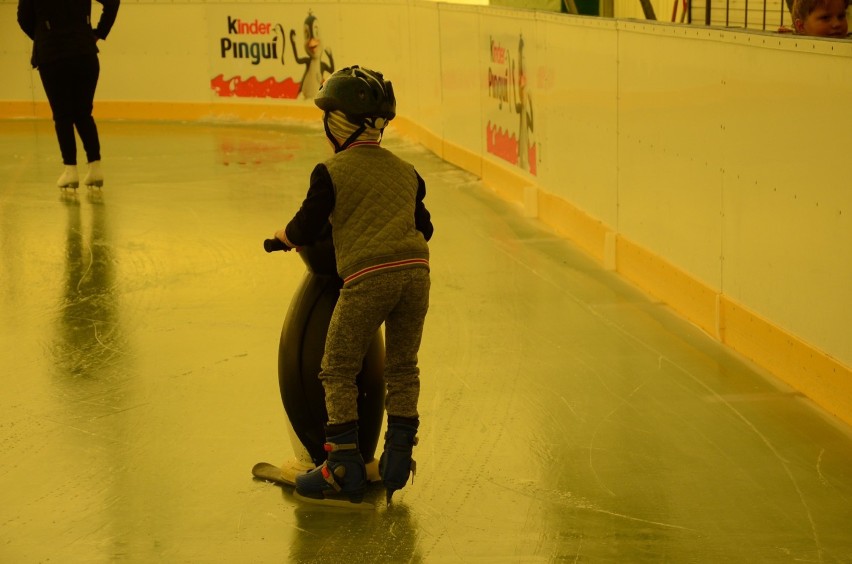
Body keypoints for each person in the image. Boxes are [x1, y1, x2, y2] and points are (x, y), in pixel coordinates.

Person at [272, 65, 433, 505]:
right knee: (403, 366)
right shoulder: (407, 170)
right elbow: (426, 227)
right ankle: (398, 457)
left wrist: (280, 239)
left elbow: (306, 226)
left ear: (337, 122)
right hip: (417, 274)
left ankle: (342, 465)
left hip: (368, 279)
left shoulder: (331, 171)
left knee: (337, 366)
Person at [17, 0, 120, 189]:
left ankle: (70, 171)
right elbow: (112, 2)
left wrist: (44, 35)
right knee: (84, 113)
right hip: (85, 52)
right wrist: (98, 32)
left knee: (62, 115)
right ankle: (95, 167)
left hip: (52, 56)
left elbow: (23, 19)